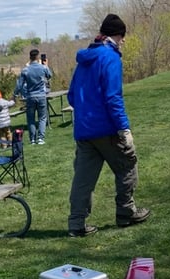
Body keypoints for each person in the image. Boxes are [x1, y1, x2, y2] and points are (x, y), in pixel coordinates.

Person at [66, 13, 151, 237]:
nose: (123, 41)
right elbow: (113, 97)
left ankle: (76, 223)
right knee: (127, 165)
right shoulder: (111, 58)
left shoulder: (85, 59)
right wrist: (124, 128)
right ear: (117, 36)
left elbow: (72, 96)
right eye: (122, 37)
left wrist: (86, 111)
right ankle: (126, 212)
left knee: (83, 179)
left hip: (84, 130)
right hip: (106, 129)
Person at [14, 49, 52, 145]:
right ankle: (41, 138)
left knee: (31, 119)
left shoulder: (25, 70)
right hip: (41, 95)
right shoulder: (43, 68)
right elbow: (49, 76)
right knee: (42, 118)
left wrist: (14, 95)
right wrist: (46, 65)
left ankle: (32, 140)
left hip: (30, 96)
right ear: (38, 57)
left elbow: (19, 85)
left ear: (30, 57)